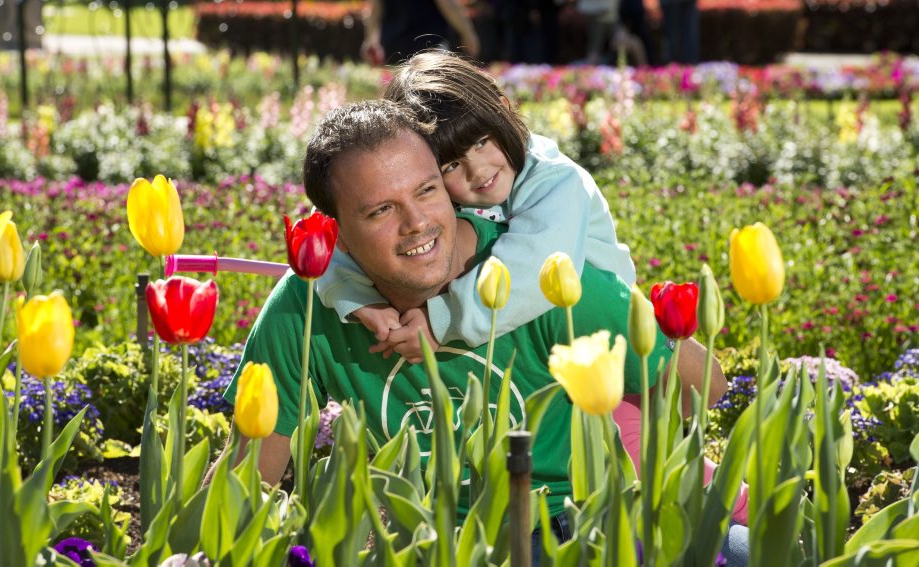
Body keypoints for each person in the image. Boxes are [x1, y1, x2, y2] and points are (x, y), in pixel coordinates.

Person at [213, 100, 747, 562]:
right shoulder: (305, 312)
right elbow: (247, 473)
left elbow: (705, 387)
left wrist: (627, 415)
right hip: (428, 541)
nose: (417, 222)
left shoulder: (544, 280)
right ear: (339, 237)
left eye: (426, 191)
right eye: (381, 210)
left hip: (573, 531)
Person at [318, 51, 637, 366]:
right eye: (452, 164)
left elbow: (533, 274)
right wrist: (356, 297)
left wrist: (439, 320)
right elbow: (337, 237)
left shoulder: (558, 183)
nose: (478, 170)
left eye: (482, 141)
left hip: (606, 341)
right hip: (527, 348)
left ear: (503, 109)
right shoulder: (435, 194)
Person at [360, 0, 480, 66]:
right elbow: (447, 5)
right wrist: (468, 33)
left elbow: (375, 8)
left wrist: (370, 39)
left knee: (398, 103)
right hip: (430, 48)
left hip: (394, 52)